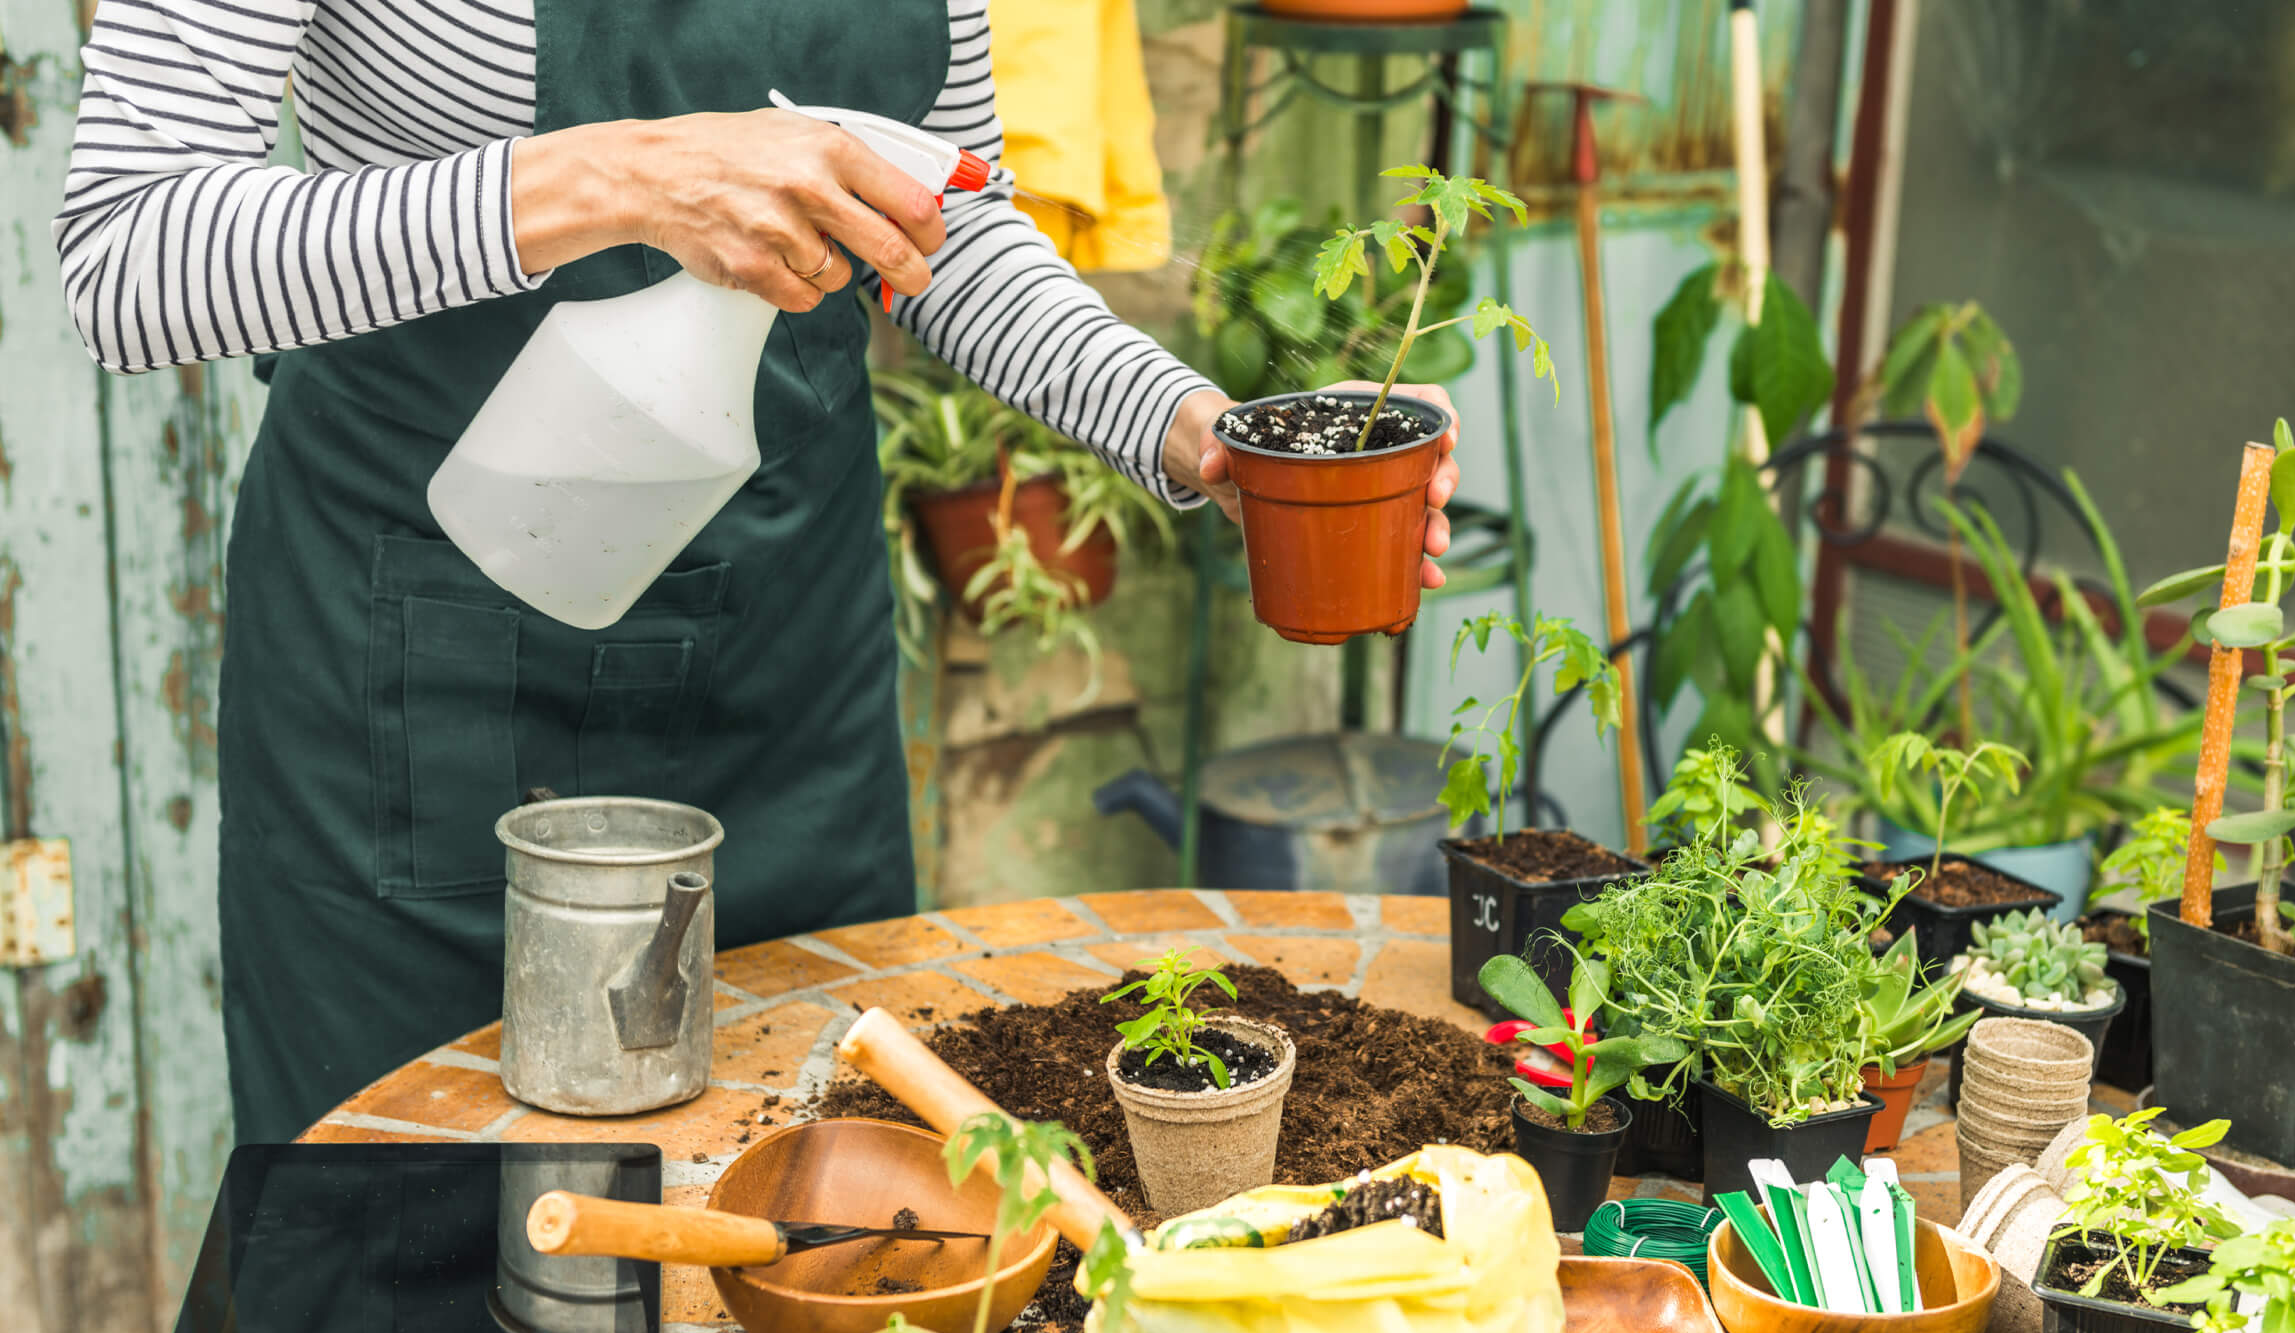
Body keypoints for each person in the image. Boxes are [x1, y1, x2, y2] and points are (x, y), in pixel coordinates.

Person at [56, 0, 1462, 1144]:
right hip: (427, 658)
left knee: (823, 1225)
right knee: (407, 1270)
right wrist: (613, 178)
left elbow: (941, 221)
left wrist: (1193, 431)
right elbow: (129, 257)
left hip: (785, 659)